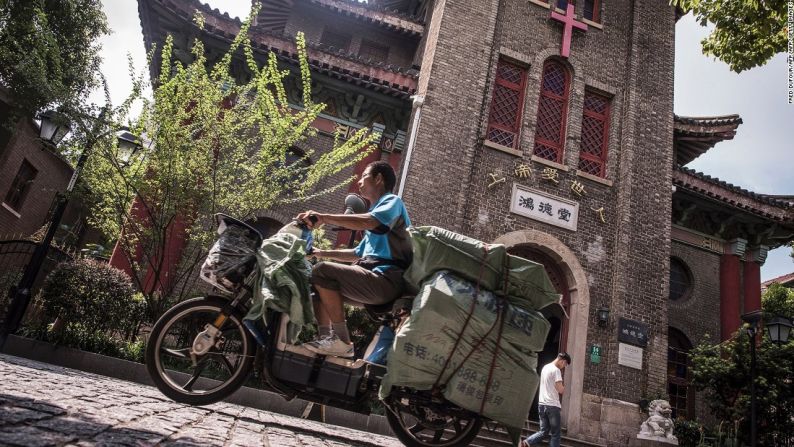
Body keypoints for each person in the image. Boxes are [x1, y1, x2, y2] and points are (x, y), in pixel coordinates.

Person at [295, 161, 412, 358]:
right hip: (374, 277)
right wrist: (318, 252)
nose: (359, 181)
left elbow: (370, 221)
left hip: (386, 280)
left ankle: (342, 341)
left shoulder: (392, 202)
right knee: (316, 283)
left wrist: (323, 217)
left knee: (322, 271)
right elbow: (357, 254)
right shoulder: (376, 215)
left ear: (378, 179)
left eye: (364, 175)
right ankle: (328, 341)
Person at [521, 352, 571, 447]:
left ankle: (526, 442)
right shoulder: (556, 370)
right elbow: (560, 390)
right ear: (562, 361)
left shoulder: (545, 367)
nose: (563, 367)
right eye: (565, 364)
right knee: (555, 434)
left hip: (542, 404)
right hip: (552, 406)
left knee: (543, 431)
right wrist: (564, 387)